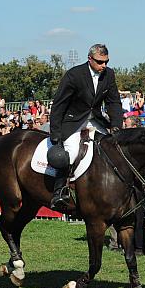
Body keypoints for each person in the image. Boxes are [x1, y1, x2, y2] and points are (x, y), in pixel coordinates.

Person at [48, 44, 123, 211]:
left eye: (106, 61)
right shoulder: (74, 74)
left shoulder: (109, 74)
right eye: (100, 62)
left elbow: (113, 102)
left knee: (111, 149)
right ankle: (59, 191)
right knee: (72, 152)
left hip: (95, 120)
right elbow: (59, 104)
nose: (104, 65)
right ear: (90, 59)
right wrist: (56, 133)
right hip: (73, 121)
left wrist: (116, 125)